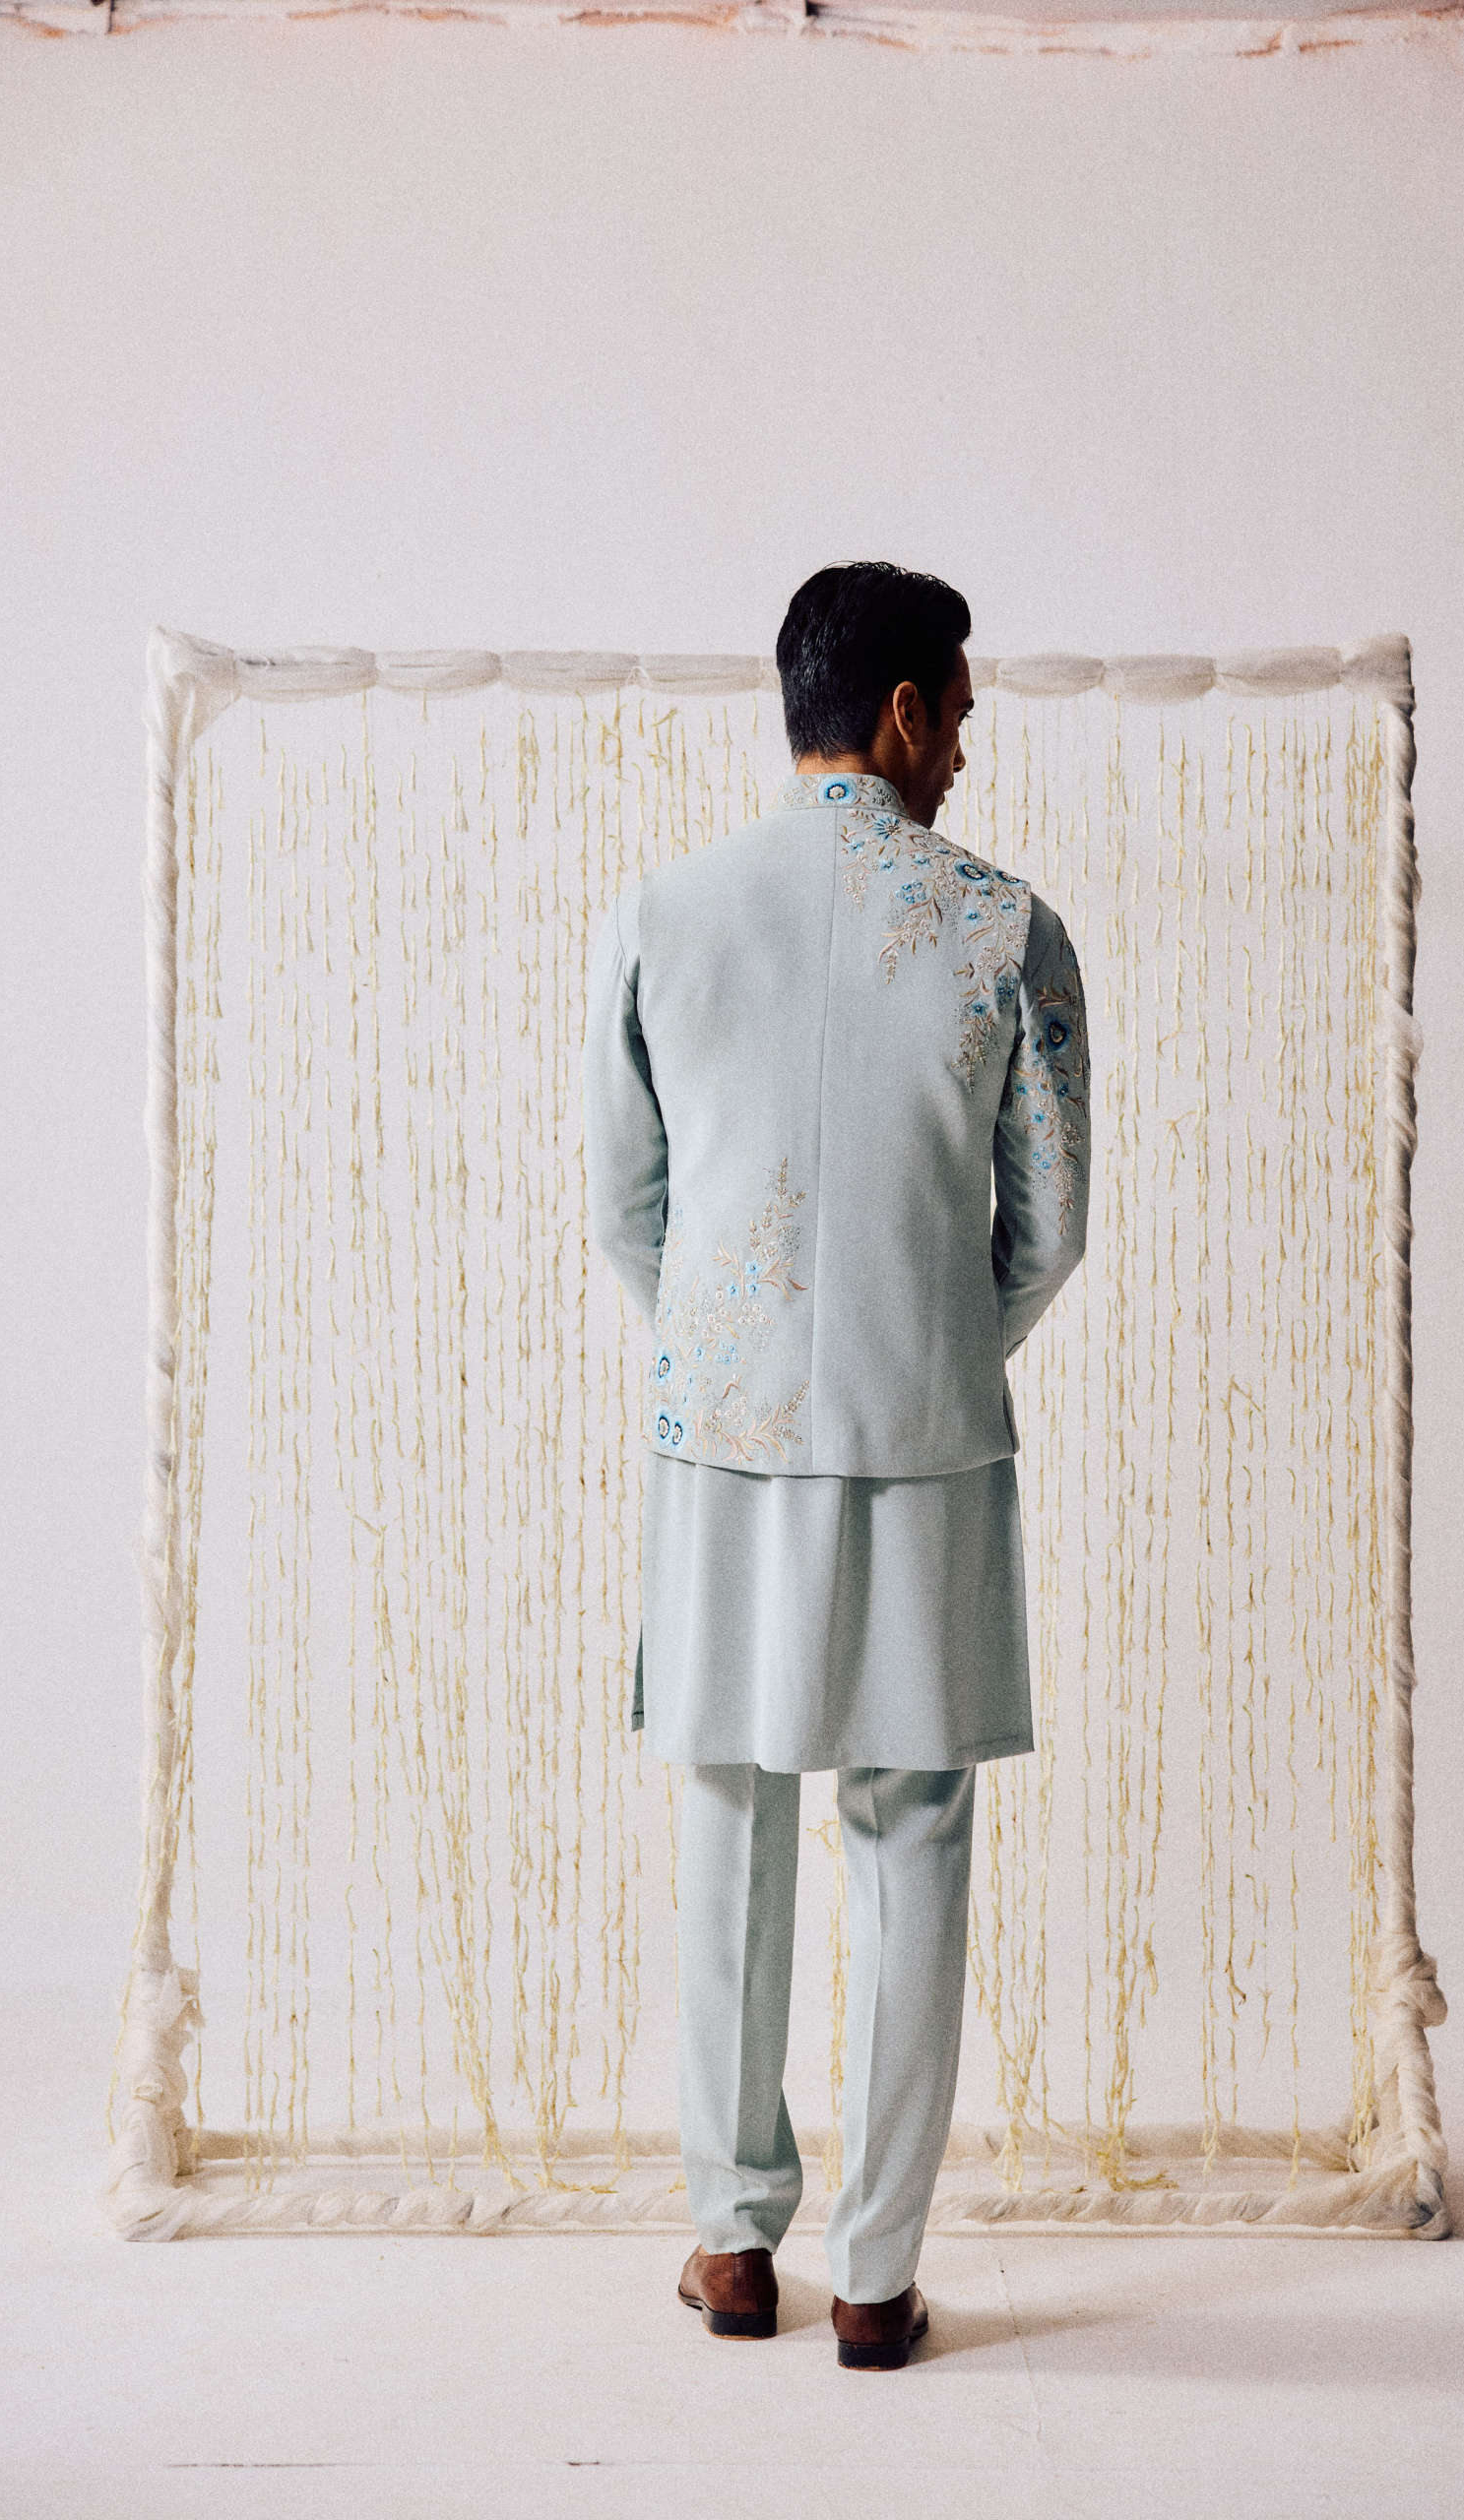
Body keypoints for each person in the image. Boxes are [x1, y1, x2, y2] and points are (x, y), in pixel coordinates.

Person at [582, 562, 1089, 2370]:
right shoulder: (1004, 926)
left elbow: (625, 1209)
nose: (963, 753)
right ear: (902, 712)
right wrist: (928, 1343)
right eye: (959, 717)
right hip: (927, 1435)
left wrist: (735, 1347)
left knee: (731, 1813)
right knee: (914, 1830)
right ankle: (876, 2273)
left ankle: (733, 2246)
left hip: (721, 1442)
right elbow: (1049, 1231)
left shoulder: (665, 914)